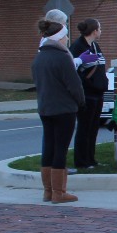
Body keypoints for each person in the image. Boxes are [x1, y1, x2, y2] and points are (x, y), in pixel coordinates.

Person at [32, 16, 87, 203]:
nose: (67, 40)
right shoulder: (63, 57)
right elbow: (74, 85)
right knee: (60, 149)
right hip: (64, 109)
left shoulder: (39, 57)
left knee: (48, 146)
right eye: (65, 37)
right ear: (59, 38)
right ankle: (59, 192)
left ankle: (48, 191)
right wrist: (81, 102)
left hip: (45, 108)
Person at [69, 18, 108, 169]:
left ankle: (91, 159)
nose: (101, 31)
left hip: (98, 93)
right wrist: (85, 85)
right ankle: (81, 161)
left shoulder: (95, 46)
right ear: (94, 31)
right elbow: (73, 70)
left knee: (93, 128)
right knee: (84, 128)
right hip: (87, 94)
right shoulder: (78, 47)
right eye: (99, 28)